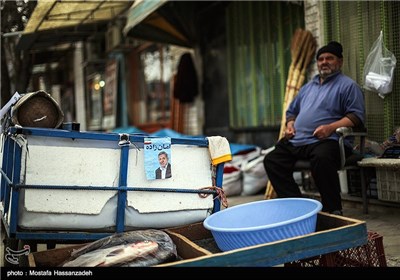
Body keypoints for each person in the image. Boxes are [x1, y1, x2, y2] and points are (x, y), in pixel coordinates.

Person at [263, 41, 365, 215]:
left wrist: (331, 127)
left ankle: (333, 209)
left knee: (322, 158)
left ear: (339, 62)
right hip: (298, 140)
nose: (324, 62)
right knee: (272, 160)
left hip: (327, 140)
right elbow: (291, 112)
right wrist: (290, 126)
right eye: (321, 59)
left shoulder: (348, 86)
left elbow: (356, 117)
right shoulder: (307, 87)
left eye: (329, 58)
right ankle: (298, 206)